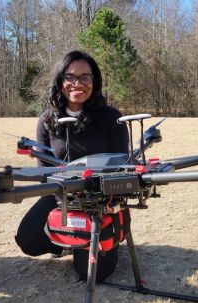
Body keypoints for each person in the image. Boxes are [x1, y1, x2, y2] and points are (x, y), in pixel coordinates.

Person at [15, 50, 129, 282]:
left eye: (85, 77)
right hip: (61, 197)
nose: (78, 84)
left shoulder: (112, 118)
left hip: (102, 201)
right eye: (70, 77)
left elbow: (122, 169)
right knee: (27, 241)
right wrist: (64, 203)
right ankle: (68, 242)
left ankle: (96, 241)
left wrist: (104, 200)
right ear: (60, 81)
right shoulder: (47, 120)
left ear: (94, 81)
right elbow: (45, 175)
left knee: (93, 275)